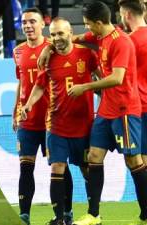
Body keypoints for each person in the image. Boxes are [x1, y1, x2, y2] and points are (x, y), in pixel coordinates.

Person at [37, 2, 147, 224]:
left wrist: (85, 87)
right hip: (105, 111)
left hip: (125, 110)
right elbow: (72, 38)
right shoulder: (99, 36)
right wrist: (48, 47)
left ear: (98, 23)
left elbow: (117, 78)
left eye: (88, 24)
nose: (86, 28)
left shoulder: (122, 42)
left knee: (133, 160)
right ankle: (94, 215)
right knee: (94, 157)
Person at [21, 17, 98, 225]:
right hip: (56, 125)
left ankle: (94, 213)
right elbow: (39, 86)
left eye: (60, 33)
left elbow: (101, 78)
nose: (56, 38)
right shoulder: (48, 60)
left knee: (87, 168)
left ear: (70, 32)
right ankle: (60, 217)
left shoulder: (86, 54)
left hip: (83, 125)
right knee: (57, 168)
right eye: (53, 34)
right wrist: (28, 104)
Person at [13, 8, 74, 225]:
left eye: (32, 22)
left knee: (59, 167)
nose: (28, 26)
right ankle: (24, 215)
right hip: (27, 120)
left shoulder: (53, 48)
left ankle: (66, 212)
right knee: (25, 166)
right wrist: (15, 111)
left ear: (43, 24)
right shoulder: (17, 51)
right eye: (24, 22)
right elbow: (21, 83)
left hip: (52, 119)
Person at [118, 0, 147, 168]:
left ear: (127, 15)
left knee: (139, 160)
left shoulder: (128, 42)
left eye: (121, 15)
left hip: (139, 107)